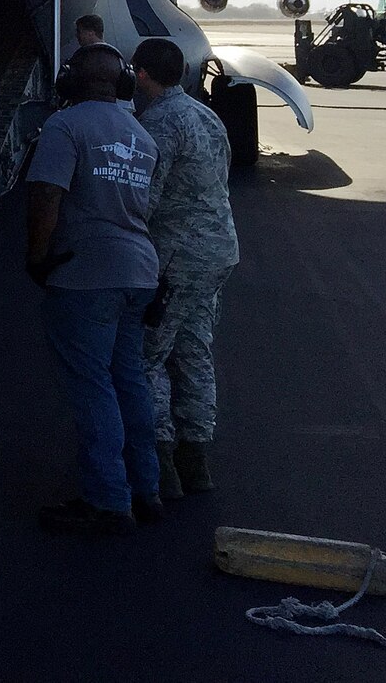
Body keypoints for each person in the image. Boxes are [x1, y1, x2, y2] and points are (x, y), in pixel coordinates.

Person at [25, 42, 163, 533]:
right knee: (129, 380)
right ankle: (146, 487)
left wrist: (37, 258)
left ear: (68, 82)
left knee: (92, 385)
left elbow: (46, 196)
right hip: (139, 273)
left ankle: (107, 500)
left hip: (88, 275)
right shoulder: (140, 136)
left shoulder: (65, 126)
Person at [131, 37, 236, 499]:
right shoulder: (206, 116)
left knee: (147, 356)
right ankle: (197, 461)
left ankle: (161, 464)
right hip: (218, 253)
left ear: (143, 75)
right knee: (194, 352)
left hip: (174, 261)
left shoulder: (155, 124)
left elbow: (144, 201)